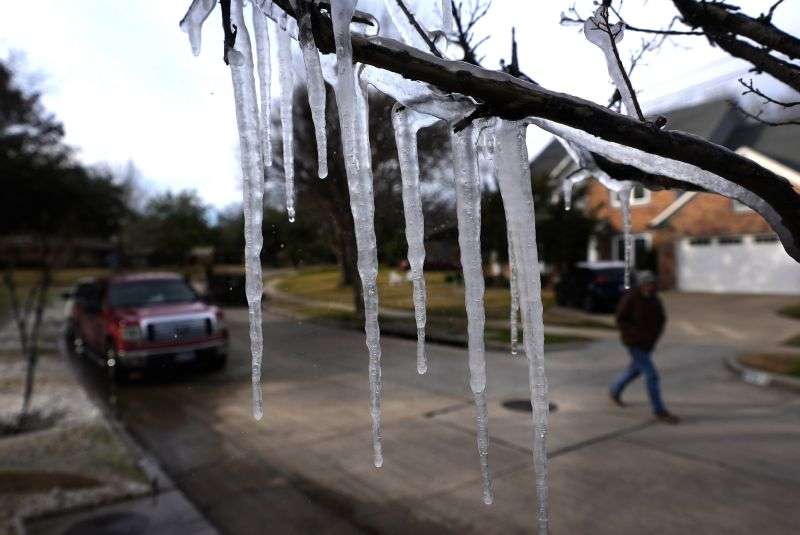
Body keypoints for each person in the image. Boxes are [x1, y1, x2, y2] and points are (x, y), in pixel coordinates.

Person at [610, 271, 679, 424]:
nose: (649, 287)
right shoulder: (631, 298)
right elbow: (620, 319)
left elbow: (661, 319)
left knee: (634, 371)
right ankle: (659, 410)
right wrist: (633, 334)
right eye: (646, 284)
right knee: (651, 375)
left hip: (648, 344)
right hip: (634, 343)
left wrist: (654, 336)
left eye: (651, 284)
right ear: (640, 285)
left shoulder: (655, 300)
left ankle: (614, 390)